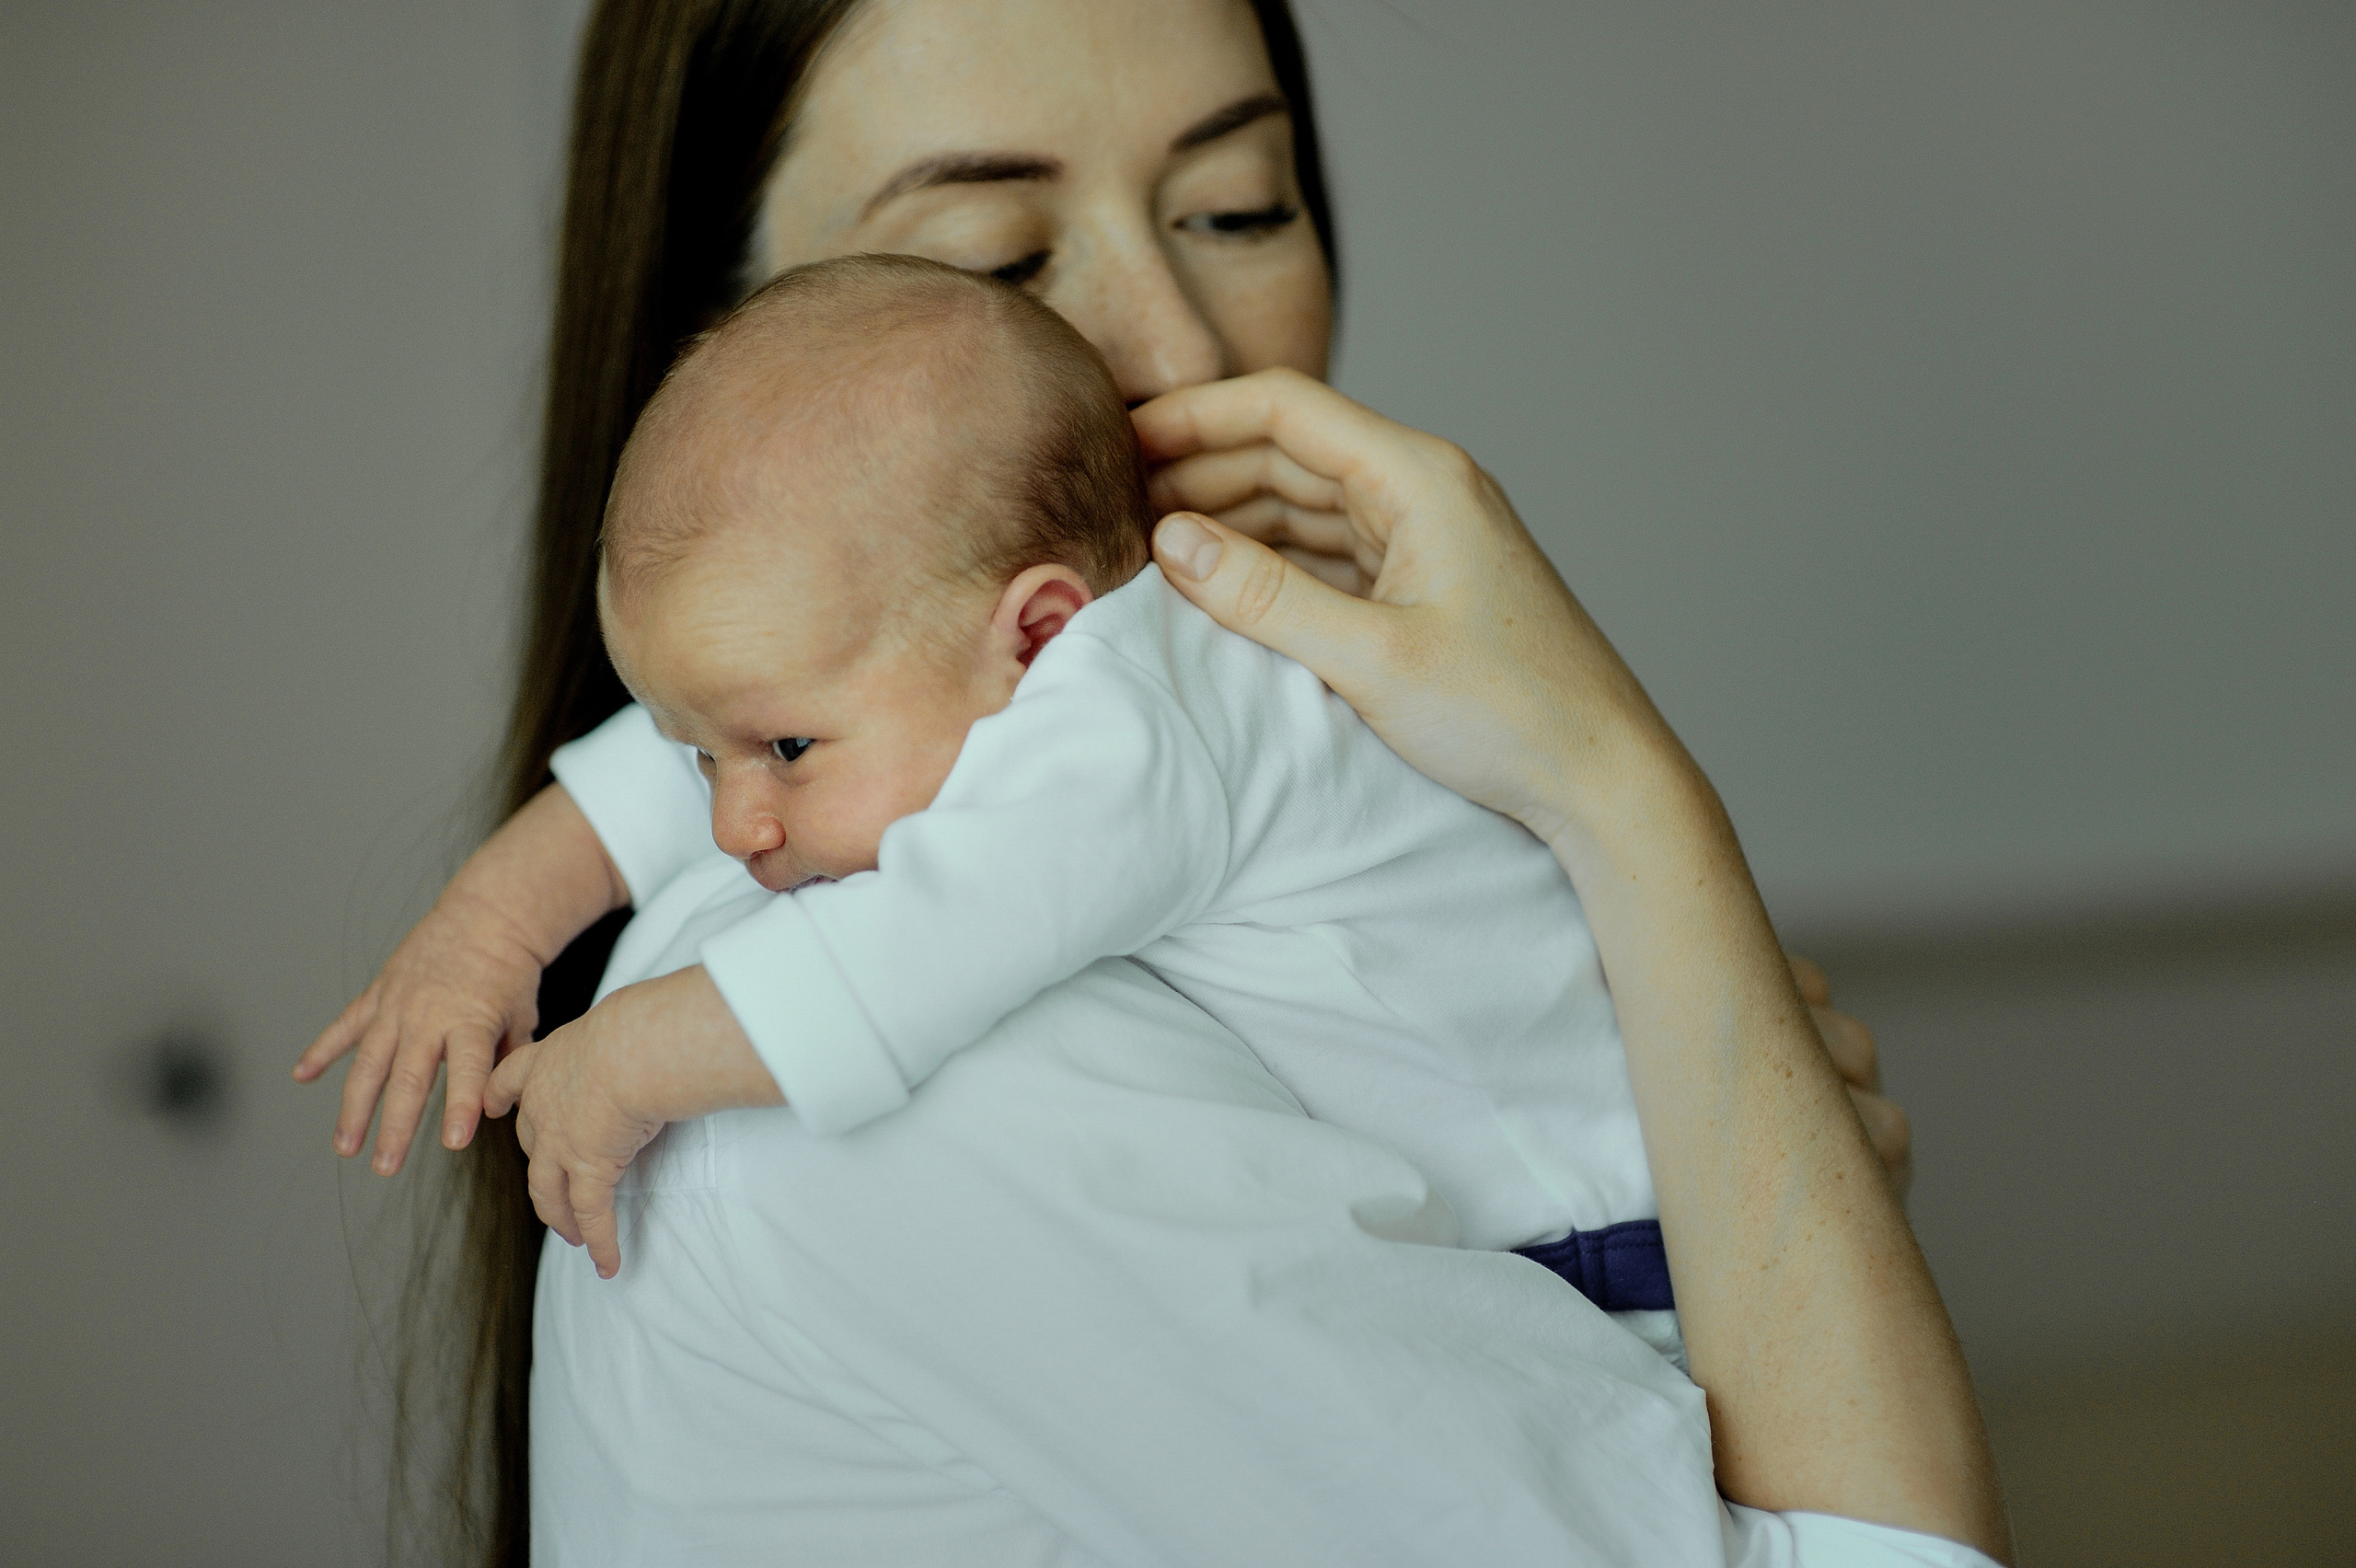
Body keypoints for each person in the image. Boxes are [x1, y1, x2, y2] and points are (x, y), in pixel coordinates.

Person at [294, 1, 1995, 1562]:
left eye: (1240, 208)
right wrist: (1642, 825)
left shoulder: (1061, 711)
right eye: (993, 255)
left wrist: (1732, 1095)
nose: (1173, 349)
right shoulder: (894, 1064)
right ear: (714, 344)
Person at [313, 250, 1690, 1377]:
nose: (738, 824)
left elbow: (927, 945)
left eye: (784, 749)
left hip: (1610, 1278)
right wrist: (483, 937)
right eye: (703, 758)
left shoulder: (1140, 718)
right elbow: (669, 758)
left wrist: (629, 1056)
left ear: (1039, 636)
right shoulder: (933, 672)